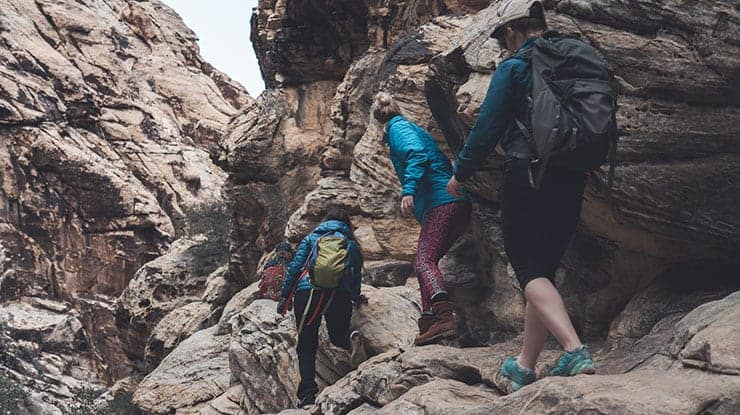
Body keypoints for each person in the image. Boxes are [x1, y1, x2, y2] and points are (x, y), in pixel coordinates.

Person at [446, 0, 596, 392]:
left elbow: (487, 126)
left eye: (501, 41)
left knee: (528, 271)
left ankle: (574, 349)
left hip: (528, 174)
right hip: (573, 175)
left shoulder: (514, 68)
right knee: (540, 274)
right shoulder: (572, 61)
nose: (502, 48)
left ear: (512, 32)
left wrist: (461, 171)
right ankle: (525, 366)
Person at [371, 93, 472, 346]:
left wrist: (409, 190)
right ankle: (430, 321)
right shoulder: (407, 127)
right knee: (427, 260)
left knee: (424, 260)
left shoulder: (398, 128)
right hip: (452, 202)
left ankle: (443, 316)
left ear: (377, 119)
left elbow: (417, 155)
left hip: (442, 201)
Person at [277, 207, 366, 407]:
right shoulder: (350, 243)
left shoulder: (311, 238)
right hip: (338, 293)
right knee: (337, 334)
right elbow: (354, 273)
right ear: (347, 224)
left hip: (308, 292)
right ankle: (350, 343)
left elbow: (295, 267)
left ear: (325, 221)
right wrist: (356, 296)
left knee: (307, 343)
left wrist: (284, 295)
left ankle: (308, 394)